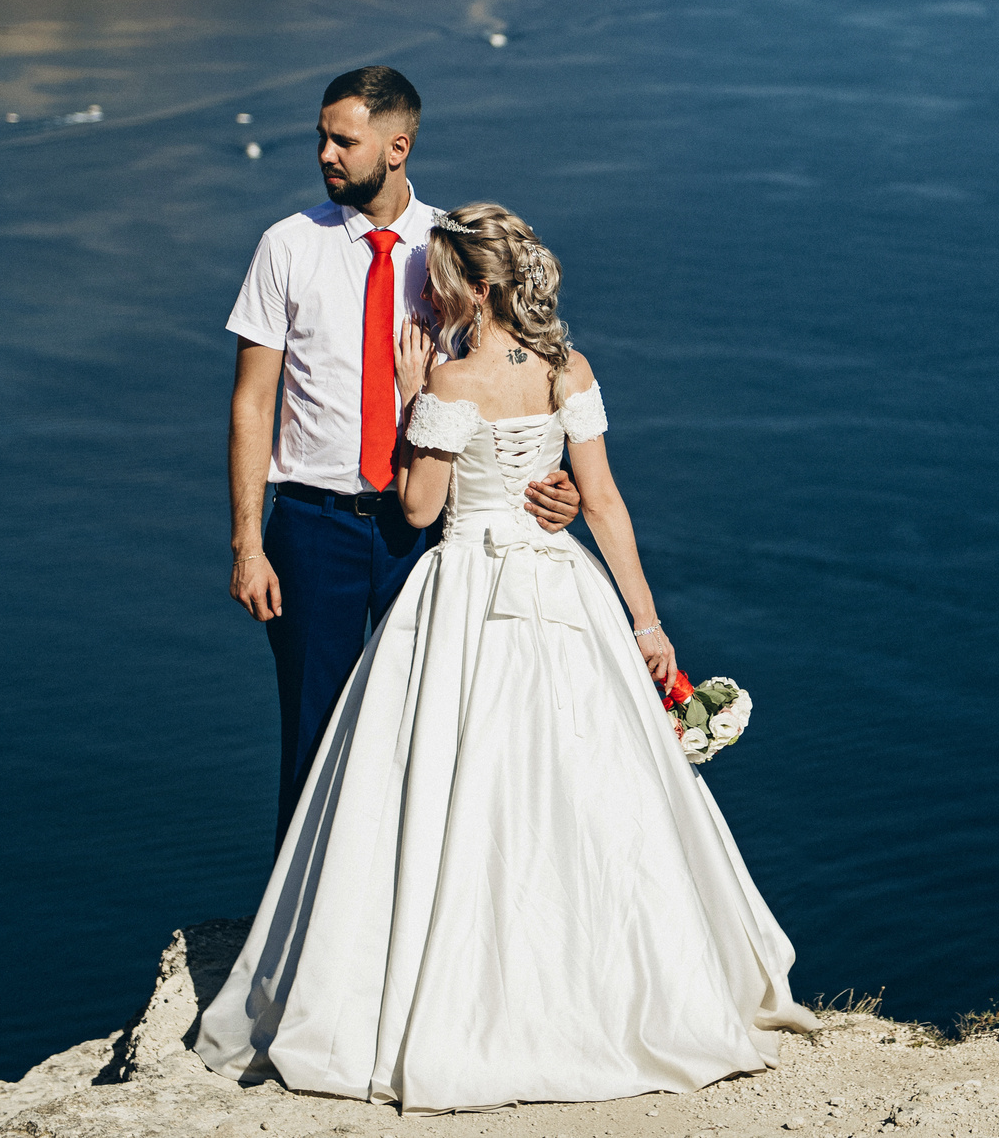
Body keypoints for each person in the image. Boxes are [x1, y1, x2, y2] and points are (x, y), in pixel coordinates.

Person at [196, 202, 811, 1111]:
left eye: (442, 281)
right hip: (564, 587)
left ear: (478, 289)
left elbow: (415, 509)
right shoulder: (570, 369)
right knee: (584, 783)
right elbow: (604, 502)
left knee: (459, 780)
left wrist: (414, 403)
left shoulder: (450, 380)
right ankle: (608, 980)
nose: (430, 295)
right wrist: (647, 622)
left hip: (465, 594)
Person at [225, 67, 580, 840]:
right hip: (314, 526)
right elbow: (252, 399)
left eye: (342, 139)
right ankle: (305, 946)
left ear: (397, 146)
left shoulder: (454, 247)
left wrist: (561, 484)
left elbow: (524, 376)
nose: (324, 152)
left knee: (434, 731)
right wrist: (248, 542)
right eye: (320, 136)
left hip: (433, 531)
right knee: (315, 740)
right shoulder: (286, 246)